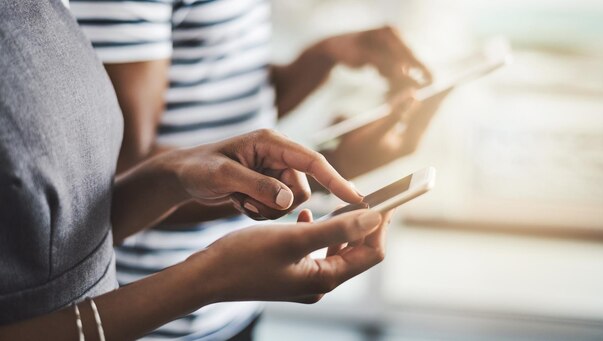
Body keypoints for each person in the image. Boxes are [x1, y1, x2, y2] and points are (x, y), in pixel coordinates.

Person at [0, 1, 393, 340]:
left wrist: (179, 177)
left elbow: (70, 213)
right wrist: (207, 279)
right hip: (157, 311)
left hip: (189, 306)